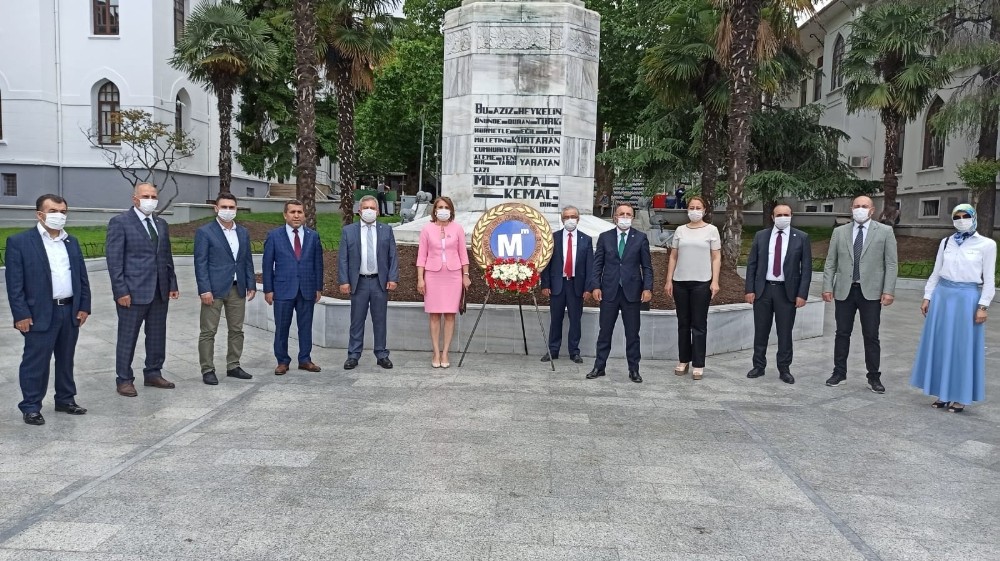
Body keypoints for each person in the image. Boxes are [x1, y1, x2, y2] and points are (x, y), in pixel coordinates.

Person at [5, 195, 91, 425]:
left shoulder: (71, 242)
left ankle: (65, 399)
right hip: (39, 313)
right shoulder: (20, 242)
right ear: (39, 214)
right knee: (36, 361)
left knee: (66, 358)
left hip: (69, 310)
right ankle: (31, 406)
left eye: (63, 211)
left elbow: (81, 277)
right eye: (53, 211)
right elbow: (15, 285)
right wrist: (21, 314)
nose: (59, 216)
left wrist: (84, 306)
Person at [910, 204, 996, 413]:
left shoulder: (987, 244)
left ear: (973, 217)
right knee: (940, 344)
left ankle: (960, 396)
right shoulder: (946, 242)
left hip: (967, 299)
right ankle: (942, 393)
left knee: (961, 347)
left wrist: (983, 305)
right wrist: (928, 296)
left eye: (965, 216)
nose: (961, 219)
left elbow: (989, 278)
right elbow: (936, 271)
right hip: (943, 296)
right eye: (956, 216)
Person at [106, 182, 179, 397]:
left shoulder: (161, 223)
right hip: (132, 292)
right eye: (145, 196)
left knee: (157, 335)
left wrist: (172, 283)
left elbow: (166, 256)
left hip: (159, 290)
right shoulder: (120, 222)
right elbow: (114, 260)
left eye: (153, 196)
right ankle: (124, 379)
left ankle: (153, 372)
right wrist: (120, 291)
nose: (150, 200)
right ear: (135, 199)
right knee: (128, 337)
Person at [822, 196, 898, 392]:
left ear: (872, 210)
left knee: (871, 335)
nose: (860, 209)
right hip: (845, 291)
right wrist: (827, 287)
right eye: (857, 206)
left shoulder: (885, 231)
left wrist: (888, 290)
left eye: (864, 206)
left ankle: (874, 376)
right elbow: (831, 262)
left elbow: (891, 263)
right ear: (851, 208)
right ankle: (839, 372)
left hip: (871, 292)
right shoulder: (839, 232)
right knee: (842, 333)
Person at [193, 194, 256, 386]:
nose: (228, 211)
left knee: (236, 330)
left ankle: (233, 365)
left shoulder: (243, 232)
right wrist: (204, 289)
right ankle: (208, 369)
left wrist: (251, 283)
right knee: (208, 331)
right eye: (224, 207)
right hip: (214, 289)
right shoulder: (205, 232)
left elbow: (246, 260)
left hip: (238, 289)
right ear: (216, 208)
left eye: (232, 207)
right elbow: (200, 263)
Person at [745, 204, 812, 384]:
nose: (783, 217)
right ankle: (758, 366)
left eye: (786, 214)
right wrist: (749, 289)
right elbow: (752, 264)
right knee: (761, 331)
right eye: (779, 214)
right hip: (763, 290)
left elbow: (806, 269)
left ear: (791, 216)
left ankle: (784, 368)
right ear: (773, 217)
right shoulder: (761, 236)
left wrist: (802, 294)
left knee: (785, 333)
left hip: (787, 292)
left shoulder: (801, 237)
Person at [586, 204, 654, 383]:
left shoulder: (640, 238)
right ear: (615, 217)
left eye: (628, 214)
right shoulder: (605, 237)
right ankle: (599, 366)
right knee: (604, 332)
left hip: (632, 293)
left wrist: (647, 288)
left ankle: (634, 370)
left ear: (633, 217)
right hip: (609, 291)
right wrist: (596, 286)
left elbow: (646, 266)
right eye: (621, 214)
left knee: (632, 334)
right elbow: (597, 265)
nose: (625, 217)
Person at [262, 200, 325, 375]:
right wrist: (268, 289)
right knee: (282, 327)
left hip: (307, 289)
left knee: (305, 326)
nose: (296, 215)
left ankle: (305, 359)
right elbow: (267, 265)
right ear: (285, 215)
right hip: (282, 290)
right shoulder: (274, 236)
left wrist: (318, 287)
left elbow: (318, 264)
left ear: (305, 215)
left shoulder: (313, 236)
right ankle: (282, 361)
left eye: (299, 212)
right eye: (292, 212)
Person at [338, 195, 399, 370]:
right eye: (366, 208)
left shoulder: (386, 230)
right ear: (359, 211)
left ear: (378, 211)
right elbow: (343, 258)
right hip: (359, 283)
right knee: (357, 320)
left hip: (379, 282)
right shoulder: (349, 231)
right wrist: (344, 280)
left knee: (380, 320)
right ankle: (353, 355)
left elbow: (392, 256)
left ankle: (381, 354)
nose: (369, 211)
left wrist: (393, 278)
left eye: (372, 208)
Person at [664, 196, 721, 380]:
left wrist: (715, 281)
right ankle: (683, 360)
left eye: (698, 207)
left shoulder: (711, 230)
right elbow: (673, 256)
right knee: (683, 323)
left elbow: (716, 257)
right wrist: (669, 280)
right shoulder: (681, 230)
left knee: (699, 324)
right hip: (681, 282)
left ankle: (698, 363)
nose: (694, 210)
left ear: (704, 210)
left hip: (702, 282)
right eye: (691, 207)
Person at [416, 196, 471, 368]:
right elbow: (421, 256)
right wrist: (420, 279)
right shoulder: (427, 229)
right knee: (434, 315)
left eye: (446, 207)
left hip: (453, 275)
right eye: (440, 207)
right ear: (434, 210)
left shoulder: (458, 229)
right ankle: (435, 351)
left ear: (451, 210)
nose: (443, 210)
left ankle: (445, 352)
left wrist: (466, 274)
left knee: (449, 315)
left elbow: (463, 254)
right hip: (432, 275)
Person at [540, 205, 594, 364]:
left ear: (578, 219)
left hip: (576, 285)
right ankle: (553, 350)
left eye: (573, 216)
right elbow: (546, 262)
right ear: (562, 219)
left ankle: (574, 351)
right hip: (557, 285)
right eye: (567, 217)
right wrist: (545, 284)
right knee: (555, 319)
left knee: (575, 320)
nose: (570, 220)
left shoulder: (586, 239)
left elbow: (589, 266)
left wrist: (588, 287)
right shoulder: (553, 238)